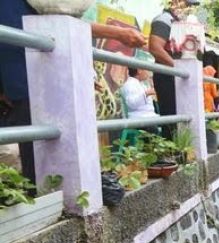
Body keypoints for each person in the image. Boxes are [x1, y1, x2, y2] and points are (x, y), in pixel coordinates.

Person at [0, 0, 146, 185]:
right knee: (39, 156)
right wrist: (118, 33)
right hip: (32, 79)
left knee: (43, 151)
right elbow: (56, 23)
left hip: (31, 79)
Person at [149, 0, 199, 137]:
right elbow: (154, 48)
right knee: (171, 117)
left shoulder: (179, 23)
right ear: (175, 2)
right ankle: (169, 154)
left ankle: (180, 152)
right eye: (187, 4)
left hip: (177, 76)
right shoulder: (164, 20)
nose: (189, 9)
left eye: (191, 6)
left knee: (183, 116)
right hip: (167, 76)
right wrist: (177, 68)